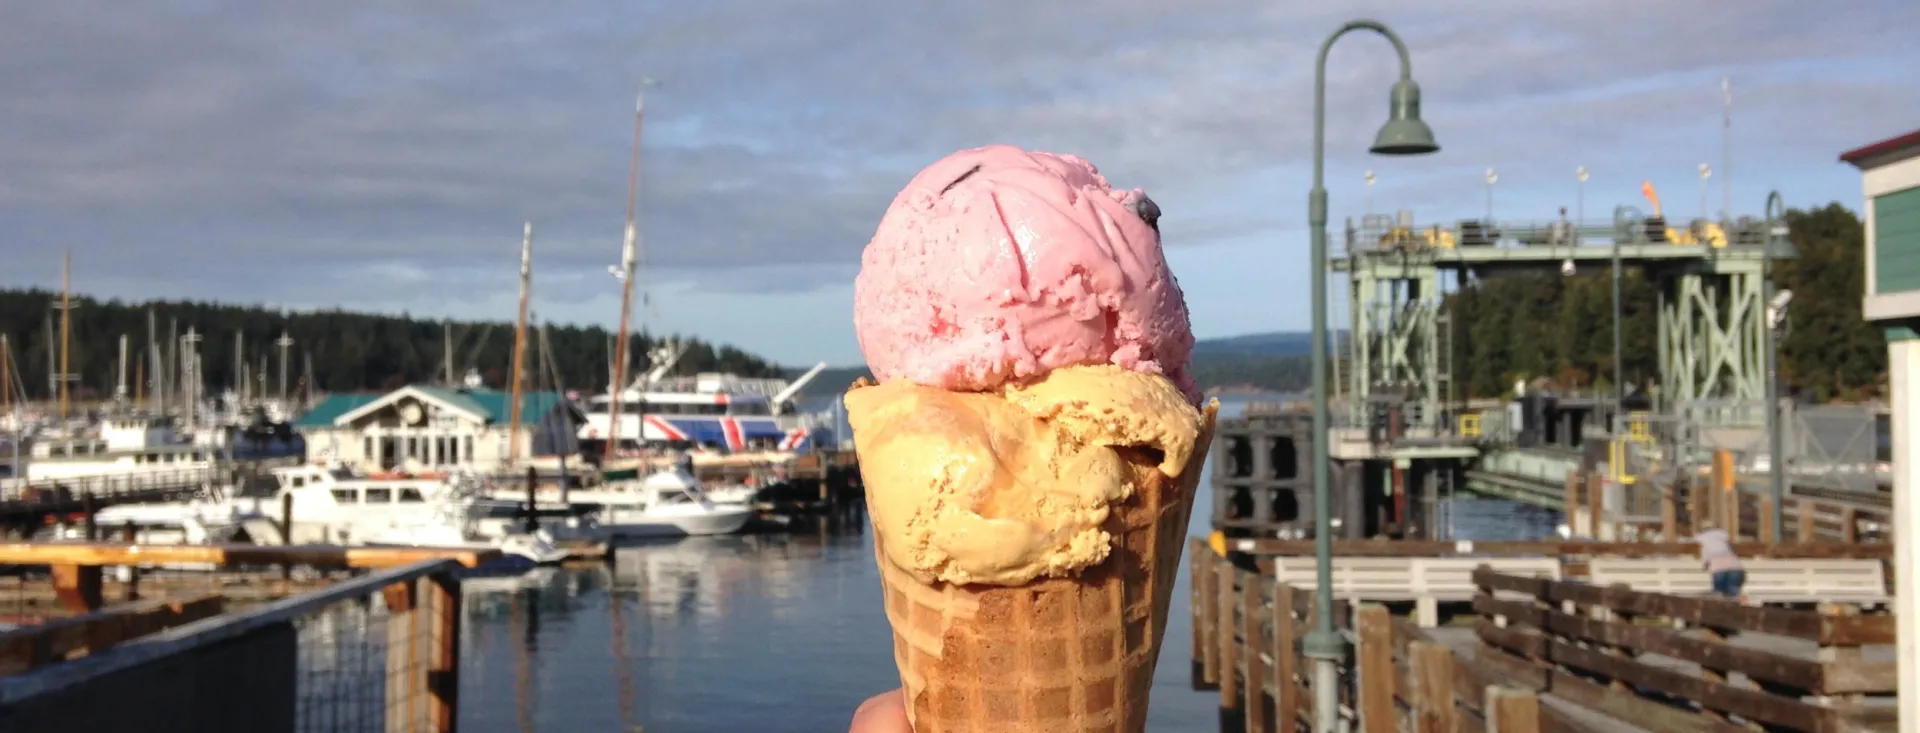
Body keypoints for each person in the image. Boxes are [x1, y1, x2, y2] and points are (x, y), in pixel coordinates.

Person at [1693, 521, 1746, 602]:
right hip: (1736, 567)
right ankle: (1741, 601)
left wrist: (1704, 565)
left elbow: (1705, 552)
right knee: (1734, 590)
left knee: (1719, 593)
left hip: (1719, 569)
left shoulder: (1703, 538)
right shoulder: (1722, 535)